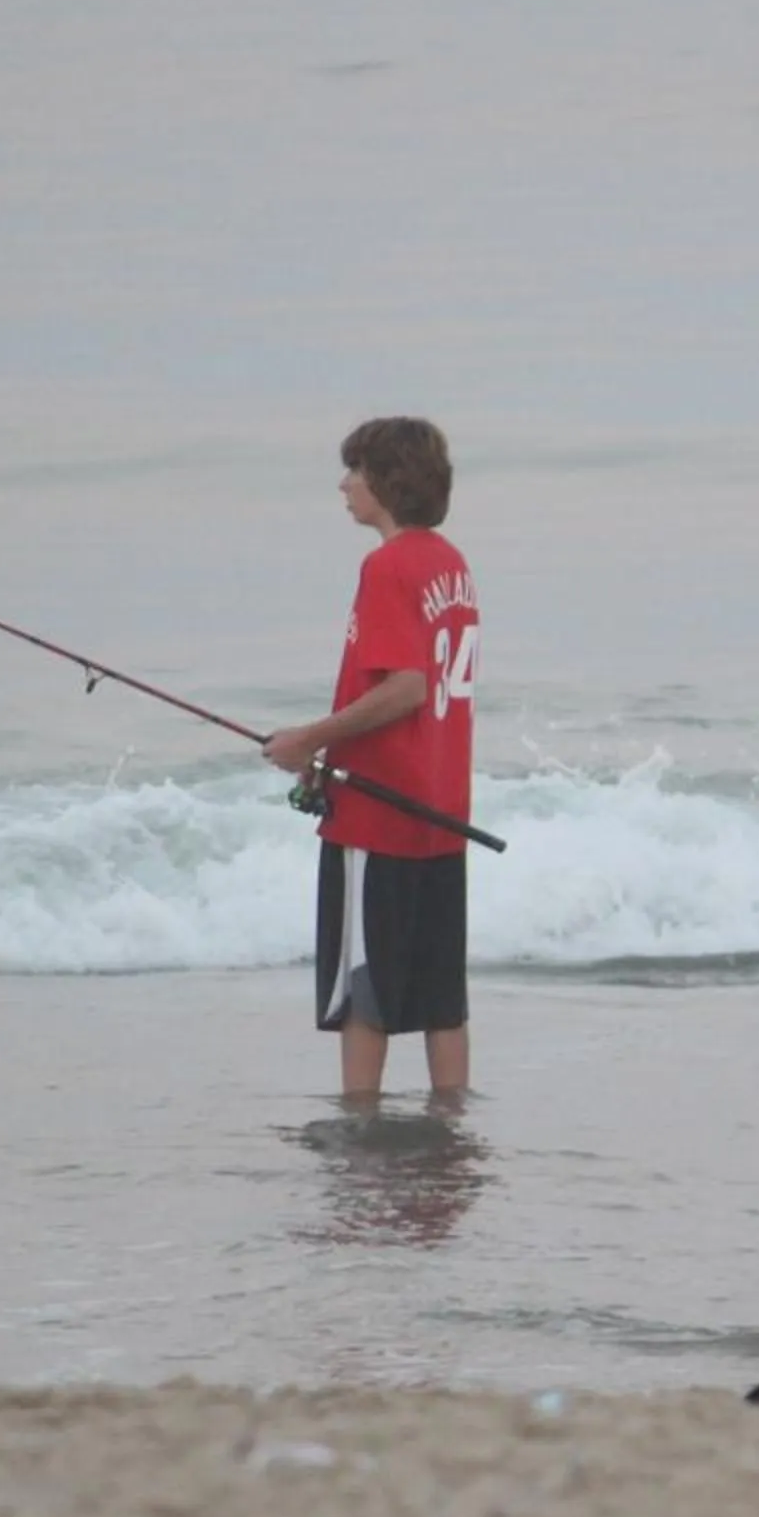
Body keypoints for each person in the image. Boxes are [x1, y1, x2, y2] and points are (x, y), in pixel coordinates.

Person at [265, 417, 479, 1103]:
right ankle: (448, 1127)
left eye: (354, 471)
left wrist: (309, 738)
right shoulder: (449, 562)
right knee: (442, 995)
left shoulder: (387, 566)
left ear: (386, 483)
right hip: (441, 811)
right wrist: (328, 749)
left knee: (366, 988)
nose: (344, 484)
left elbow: (407, 688)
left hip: (380, 816)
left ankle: (361, 1131)